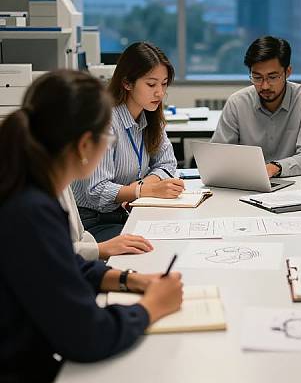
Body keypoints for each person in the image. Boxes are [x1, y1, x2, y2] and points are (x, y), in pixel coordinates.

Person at [0, 70, 183, 383]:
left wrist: (128, 280)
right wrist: (150, 308)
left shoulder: (31, 188)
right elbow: (86, 335)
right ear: (86, 145)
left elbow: (65, 266)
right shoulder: (30, 211)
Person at [73, 42, 184, 242]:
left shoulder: (149, 116)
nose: (160, 92)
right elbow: (96, 190)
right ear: (127, 83)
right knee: (158, 243)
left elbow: (167, 163)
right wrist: (142, 190)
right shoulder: (103, 121)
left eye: (164, 83)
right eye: (151, 84)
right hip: (92, 222)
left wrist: (140, 185)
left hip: (124, 214)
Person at [211, 35, 301, 177]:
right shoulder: (238, 102)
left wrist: (275, 168)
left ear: (287, 72)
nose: (264, 86)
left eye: (272, 77)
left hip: (294, 185)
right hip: (246, 183)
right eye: (257, 77)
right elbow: (218, 154)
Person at [60, 186, 153, 260]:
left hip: (85, 254)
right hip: (96, 222)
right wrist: (99, 250)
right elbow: (95, 189)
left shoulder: (61, 181)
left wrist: (124, 277)